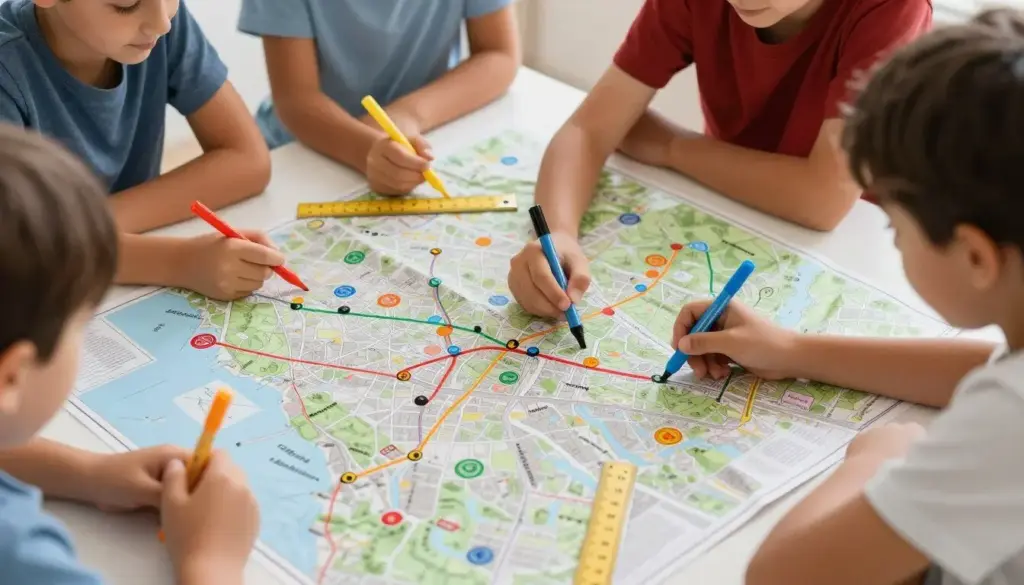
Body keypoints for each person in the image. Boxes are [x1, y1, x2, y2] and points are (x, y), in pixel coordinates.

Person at [670, 11, 1024, 585]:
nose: (894, 243)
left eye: (896, 231)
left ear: (976, 257)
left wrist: (879, 458)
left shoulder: (1008, 424)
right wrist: (791, 349)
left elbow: (780, 576)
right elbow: (985, 369)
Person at [508, 0, 931, 319]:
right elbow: (587, 130)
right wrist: (560, 233)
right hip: (730, 215)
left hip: (856, 259)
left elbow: (823, 200)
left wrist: (672, 146)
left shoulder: (891, 9)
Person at [0, 124, 261, 585]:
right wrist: (211, 561)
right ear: (12, 377)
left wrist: (87, 472)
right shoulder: (19, 553)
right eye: (83, 323)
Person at [0, 0, 282, 301]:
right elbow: (18, 249)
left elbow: (247, 159)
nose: (163, 24)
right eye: (126, 4)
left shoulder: (157, 20)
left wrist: (85, 226)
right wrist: (179, 262)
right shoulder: (8, 69)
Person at [238, 0, 520, 196]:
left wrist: (407, 116)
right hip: (301, 150)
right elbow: (296, 99)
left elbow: (499, 55)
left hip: (425, 132)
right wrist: (365, 149)